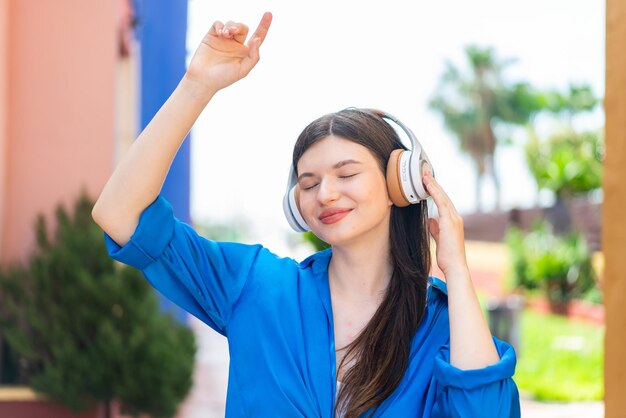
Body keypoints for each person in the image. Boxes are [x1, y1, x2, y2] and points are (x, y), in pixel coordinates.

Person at [92, 12, 521, 418]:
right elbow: (119, 214)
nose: (326, 194)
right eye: (309, 183)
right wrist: (196, 84)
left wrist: (457, 271)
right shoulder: (255, 285)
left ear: (399, 184)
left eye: (346, 174)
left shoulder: (442, 325)